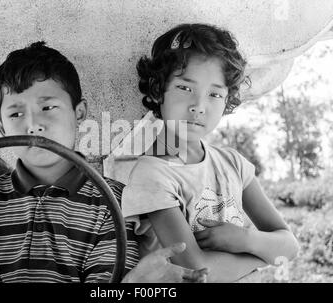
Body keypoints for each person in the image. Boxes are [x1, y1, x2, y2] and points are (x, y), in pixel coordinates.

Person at [0, 41, 208, 283]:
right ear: (1, 128)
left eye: (47, 107)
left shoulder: (116, 202)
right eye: (15, 114)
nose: (33, 125)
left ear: (79, 114)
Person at [121, 23, 300, 282]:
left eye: (215, 94)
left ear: (227, 100)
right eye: (185, 88)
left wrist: (244, 239)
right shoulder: (152, 174)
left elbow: (290, 246)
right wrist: (262, 255)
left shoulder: (233, 164)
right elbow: (198, 272)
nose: (199, 106)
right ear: (159, 90)